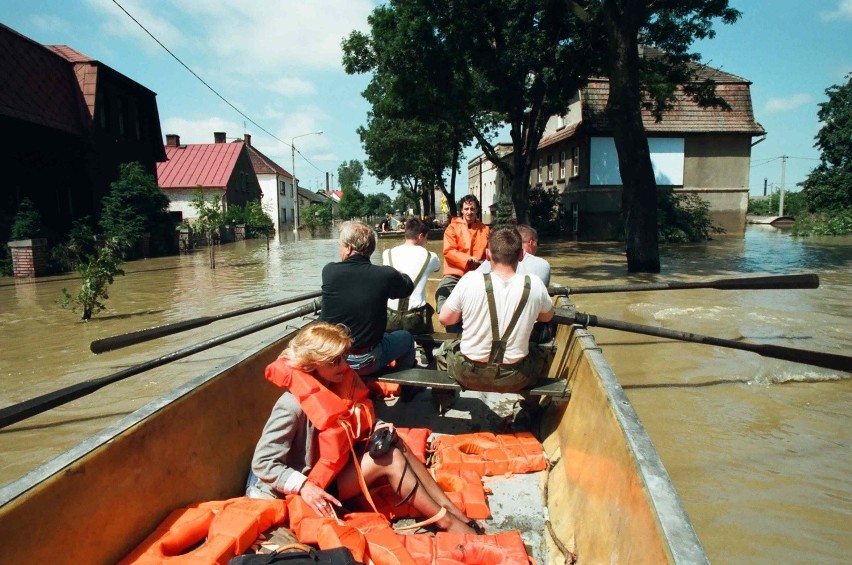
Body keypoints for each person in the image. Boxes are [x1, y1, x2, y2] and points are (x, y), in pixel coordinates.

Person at [246, 323, 478, 534]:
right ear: (311, 364)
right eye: (334, 361)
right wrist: (304, 485)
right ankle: (444, 521)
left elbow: (351, 422)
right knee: (390, 459)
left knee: (394, 441)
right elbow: (263, 462)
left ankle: (448, 508)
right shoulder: (291, 406)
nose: (344, 366)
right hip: (313, 484)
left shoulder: (336, 383)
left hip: (339, 465)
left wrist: (378, 427)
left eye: (344, 357)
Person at [437, 227, 554, 395]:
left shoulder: (469, 279)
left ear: (487, 255)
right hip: (515, 377)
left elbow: (445, 319)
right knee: (544, 353)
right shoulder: (535, 284)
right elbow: (547, 316)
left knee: (443, 350)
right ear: (521, 255)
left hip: (468, 374)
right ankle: (528, 412)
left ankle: (445, 401)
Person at [319, 221, 416, 376]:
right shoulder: (385, 275)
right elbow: (407, 287)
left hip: (333, 359)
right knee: (407, 338)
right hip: (365, 361)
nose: (339, 249)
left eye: (340, 245)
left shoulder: (329, 271)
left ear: (349, 248)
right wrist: (399, 274)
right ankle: (406, 388)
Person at [476, 224, 554, 343]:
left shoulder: (490, 260)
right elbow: (543, 313)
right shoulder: (542, 265)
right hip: (525, 335)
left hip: (488, 330)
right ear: (532, 242)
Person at [435, 194, 491, 333]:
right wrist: (468, 259)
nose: (469, 212)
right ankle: (452, 327)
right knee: (441, 294)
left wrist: (483, 263)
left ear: (477, 210)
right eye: (466, 208)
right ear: (462, 210)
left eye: (472, 208)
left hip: (478, 275)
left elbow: (491, 254)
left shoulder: (486, 230)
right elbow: (448, 252)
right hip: (455, 274)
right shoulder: (452, 228)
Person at [383, 217, 441, 335]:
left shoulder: (387, 253)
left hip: (390, 317)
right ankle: (428, 351)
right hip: (415, 320)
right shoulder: (431, 256)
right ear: (420, 236)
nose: (426, 241)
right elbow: (437, 268)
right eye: (426, 238)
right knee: (427, 311)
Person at [476, 224, 550, 287]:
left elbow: (476, 278)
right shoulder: (543, 265)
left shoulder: (494, 258)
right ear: (531, 242)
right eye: (538, 243)